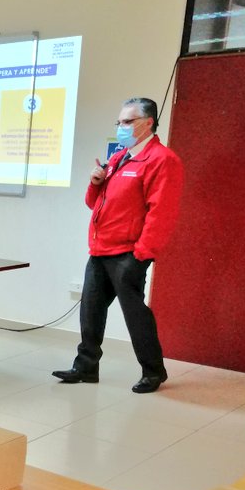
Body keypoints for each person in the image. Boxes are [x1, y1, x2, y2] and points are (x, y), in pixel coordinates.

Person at [52, 97, 184, 394]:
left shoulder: (162, 160)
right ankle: (86, 367)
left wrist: (142, 253)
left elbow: (161, 213)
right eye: (119, 122)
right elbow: (94, 203)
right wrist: (95, 182)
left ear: (148, 122)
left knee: (135, 314)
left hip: (129, 253)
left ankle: (154, 371)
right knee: (90, 310)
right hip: (100, 249)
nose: (121, 127)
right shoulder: (119, 157)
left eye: (127, 121)